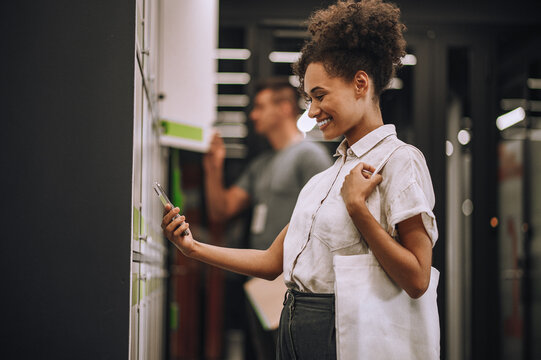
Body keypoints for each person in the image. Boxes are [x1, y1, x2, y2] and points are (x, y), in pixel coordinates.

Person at [163, 1, 438, 359]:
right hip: (294, 325)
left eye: (320, 96)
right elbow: (270, 262)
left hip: (342, 332)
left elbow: (418, 279)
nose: (311, 111)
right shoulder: (324, 180)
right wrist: (193, 248)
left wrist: (358, 209)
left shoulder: (400, 160)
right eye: (309, 99)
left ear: (360, 84)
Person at [203, 78, 332, 359]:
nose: (253, 115)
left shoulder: (309, 155)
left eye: (260, 107)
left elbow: (328, 217)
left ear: (284, 108)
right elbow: (221, 210)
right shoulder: (261, 164)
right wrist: (214, 167)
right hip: (260, 280)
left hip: (291, 283)